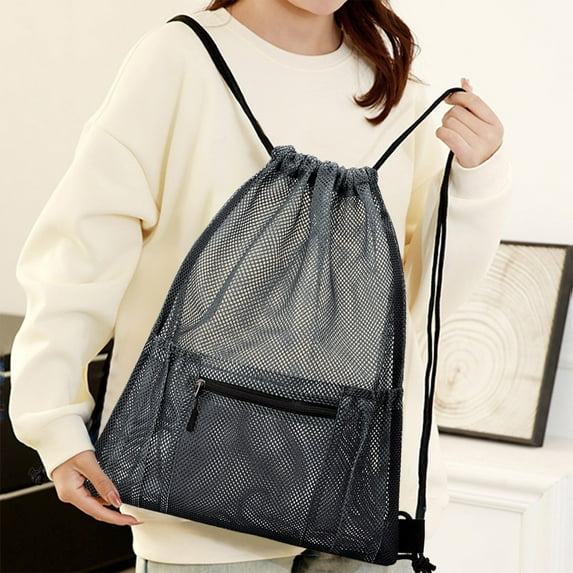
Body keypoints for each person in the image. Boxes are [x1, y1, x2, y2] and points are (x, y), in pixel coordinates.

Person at [9, 0, 510, 571]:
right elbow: (80, 255)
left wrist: (479, 182)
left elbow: (423, 301)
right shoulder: (180, 60)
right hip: (200, 497)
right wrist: (54, 423)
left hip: (364, 496)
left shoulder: (396, 87)